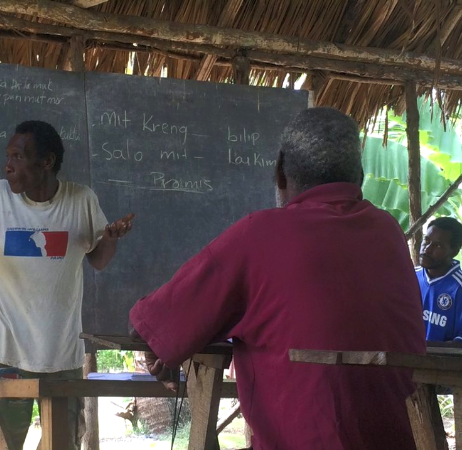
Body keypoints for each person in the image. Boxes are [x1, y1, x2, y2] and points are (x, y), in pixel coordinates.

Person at [129, 107, 425, 450]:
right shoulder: (388, 231)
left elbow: (152, 326)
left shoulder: (260, 234)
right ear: (359, 176)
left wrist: (166, 342)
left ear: (280, 174)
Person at [0, 120, 133, 450]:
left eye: (17, 156)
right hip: (7, 355)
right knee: (0, 444)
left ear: (46, 162)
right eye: (7, 155)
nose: (8, 165)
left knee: (62, 444)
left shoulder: (80, 200)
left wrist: (110, 240)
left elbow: (97, 258)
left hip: (63, 356)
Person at [417, 217, 462, 343]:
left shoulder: (459, 288)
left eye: (437, 245)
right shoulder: (409, 277)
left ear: (454, 251)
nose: (427, 249)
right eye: (426, 240)